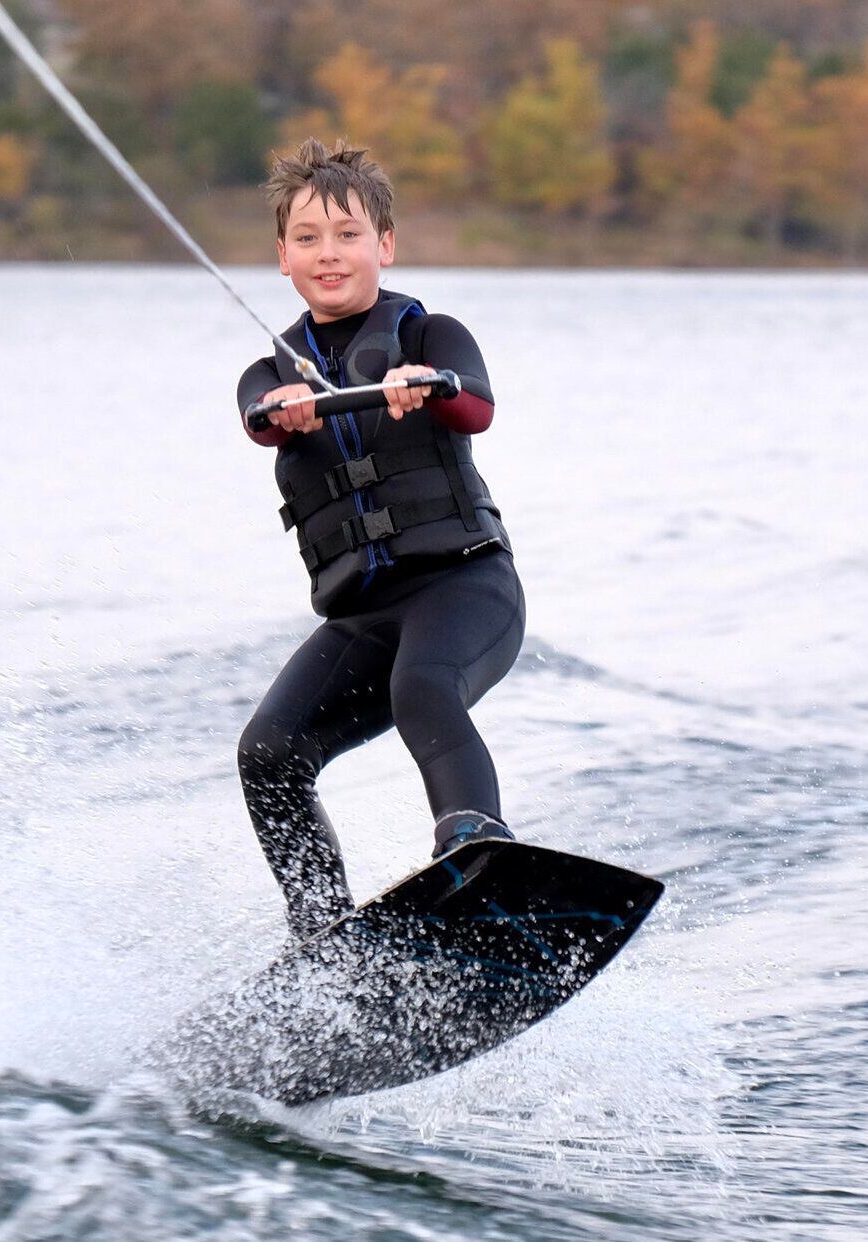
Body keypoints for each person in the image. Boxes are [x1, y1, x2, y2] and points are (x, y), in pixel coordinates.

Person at [235, 138, 525, 942]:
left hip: (465, 589)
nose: (329, 253)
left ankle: (474, 844)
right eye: (307, 238)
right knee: (268, 752)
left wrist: (430, 387)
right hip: (361, 618)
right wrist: (281, 408)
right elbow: (258, 420)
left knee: (423, 688)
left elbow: (477, 407)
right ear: (283, 259)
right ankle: (322, 936)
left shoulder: (433, 336)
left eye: (348, 233)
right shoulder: (268, 371)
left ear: (385, 245)